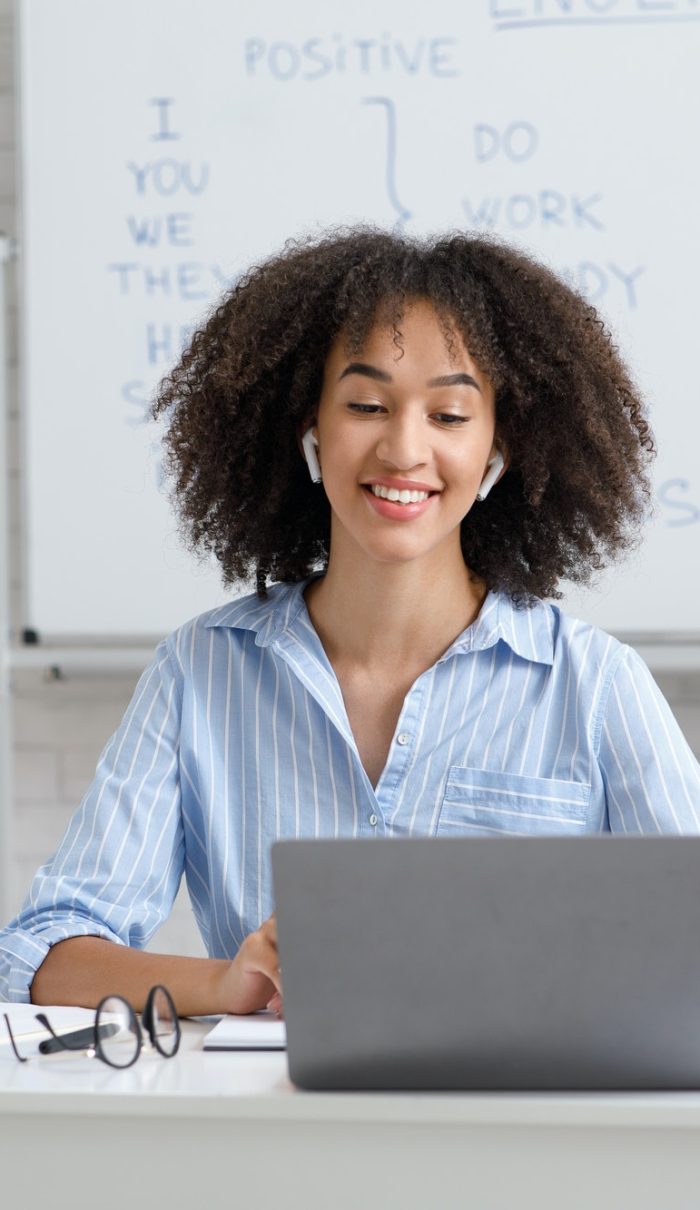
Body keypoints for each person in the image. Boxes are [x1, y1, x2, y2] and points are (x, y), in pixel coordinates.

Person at [1, 228, 699, 1013]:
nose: (404, 449)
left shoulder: (595, 684)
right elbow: (39, 950)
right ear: (310, 428)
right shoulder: (200, 671)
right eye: (366, 405)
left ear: (499, 449)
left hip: (514, 1129)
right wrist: (231, 983)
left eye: (449, 414)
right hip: (274, 1127)